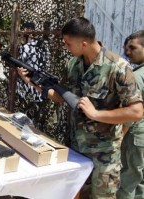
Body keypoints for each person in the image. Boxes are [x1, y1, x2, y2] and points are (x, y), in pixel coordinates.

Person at [18, 17, 143, 198]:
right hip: (77, 150)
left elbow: (136, 111)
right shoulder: (74, 65)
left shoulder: (117, 68)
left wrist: (96, 114)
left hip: (104, 155)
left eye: (68, 44)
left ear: (84, 43)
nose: (66, 48)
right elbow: (63, 97)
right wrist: (33, 83)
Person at [117, 30, 144, 199]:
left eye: (132, 48)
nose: (127, 52)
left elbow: (132, 113)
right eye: (126, 48)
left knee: (128, 180)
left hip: (136, 135)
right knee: (139, 179)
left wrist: (119, 136)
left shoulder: (137, 77)